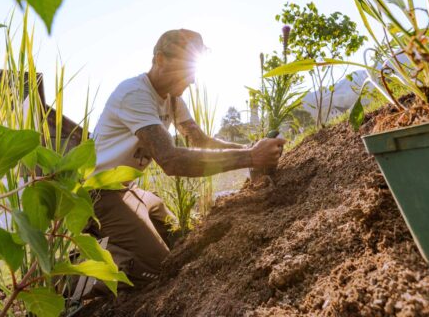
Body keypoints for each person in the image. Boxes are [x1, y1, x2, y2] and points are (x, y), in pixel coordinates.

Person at [91, 29, 285, 287]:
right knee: (159, 269)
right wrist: (251, 157)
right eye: (185, 69)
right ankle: (83, 273)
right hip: (98, 194)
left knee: (181, 239)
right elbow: (171, 161)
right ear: (160, 59)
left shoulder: (173, 100)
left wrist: (251, 148)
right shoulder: (134, 95)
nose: (191, 80)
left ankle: (115, 243)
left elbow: (202, 141)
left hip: (127, 189)